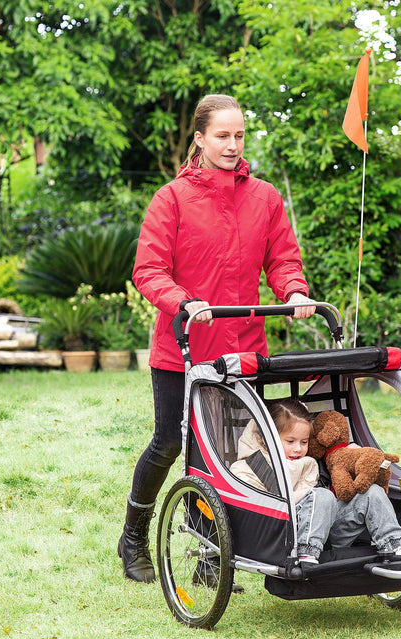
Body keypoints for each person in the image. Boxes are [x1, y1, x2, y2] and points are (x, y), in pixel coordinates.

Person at [119, 94, 315, 583]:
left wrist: (293, 289)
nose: (232, 145)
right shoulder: (172, 198)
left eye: (239, 135)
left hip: (243, 349)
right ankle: (133, 536)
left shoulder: (264, 198)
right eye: (222, 136)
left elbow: (283, 260)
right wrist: (183, 301)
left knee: (233, 452)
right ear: (200, 139)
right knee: (169, 443)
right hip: (184, 349)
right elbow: (149, 270)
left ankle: (214, 551)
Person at [231, 399, 336, 564]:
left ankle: (389, 544)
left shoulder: (308, 465)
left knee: (369, 494)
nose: (298, 449)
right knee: (323, 496)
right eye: (290, 441)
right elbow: (258, 506)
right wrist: (305, 495)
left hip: (316, 525)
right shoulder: (249, 467)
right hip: (275, 532)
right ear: (267, 440)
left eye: (304, 442)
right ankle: (307, 553)